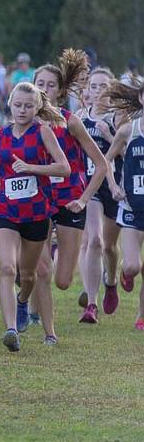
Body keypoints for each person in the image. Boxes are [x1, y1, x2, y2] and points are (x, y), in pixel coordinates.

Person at [0, 81, 72, 350]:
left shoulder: (43, 132)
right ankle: (10, 331)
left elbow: (64, 168)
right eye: (18, 105)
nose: (22, 110)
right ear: (9, 104)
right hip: (6, 210)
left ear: (37, 107)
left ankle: (24, 305)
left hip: (37, 213)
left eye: (28, 106)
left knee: (29, 274)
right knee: (8, 268)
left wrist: (31, 167)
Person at [31, 51, 110, 324]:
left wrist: (85, 199)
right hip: (37, 200)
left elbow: (102, 166)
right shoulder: (24, 122)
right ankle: (31, 312)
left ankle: (51, 253)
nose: (44, 90)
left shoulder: (70, 121)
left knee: (62, 280)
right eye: (40, 84)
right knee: (39, 269)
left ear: (60, 90)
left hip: (69, 200)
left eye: (50, 85)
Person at [101, 80, 144, 331]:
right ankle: (125, 273)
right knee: (131, 265)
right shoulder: (129, 130)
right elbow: (105, 160)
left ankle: (141, 315)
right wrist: (113, 186)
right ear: (140, 98)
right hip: (130, 208)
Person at [80, 67, 122, 317]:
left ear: (112, 89)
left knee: (109, 247)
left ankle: (111, 281)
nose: (97, 91)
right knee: (93, 240)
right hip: (90, 186)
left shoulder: (120, 119)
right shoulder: (79, 118)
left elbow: (131, 153)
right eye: (93, 86)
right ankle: (91, 304)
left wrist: (111, 135)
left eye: (103, 86)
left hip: (115, 189)